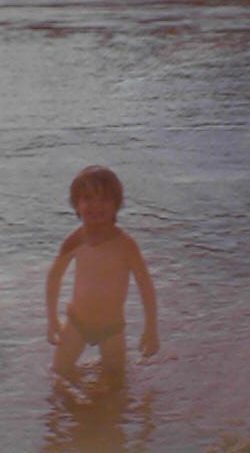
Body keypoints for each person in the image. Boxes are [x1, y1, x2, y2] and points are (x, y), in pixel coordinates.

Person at [46, 165, 159, 387]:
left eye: (104, 199)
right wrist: (51, 319)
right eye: (87, 198)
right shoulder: (75, 240)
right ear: (76, 205)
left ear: (117, 206)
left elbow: (145, 285)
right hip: (76, 322)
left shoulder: (126, 245)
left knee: (116, 385)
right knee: (58, 376)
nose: (95, 205)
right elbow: (54, 277)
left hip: (112, 328)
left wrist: (151, 329)